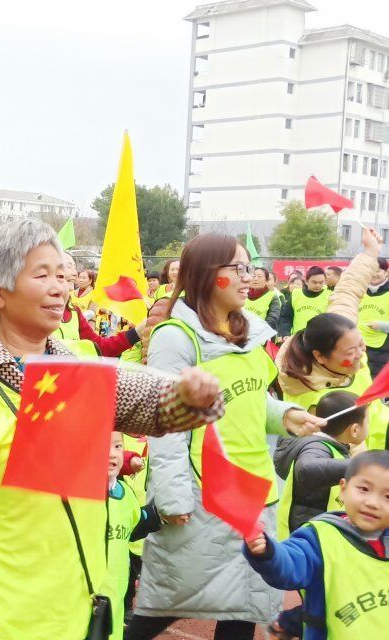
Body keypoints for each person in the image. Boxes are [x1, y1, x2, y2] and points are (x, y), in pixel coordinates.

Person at [0, 219, 225, 640]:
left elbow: (151, 402)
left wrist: (192, 396)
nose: (59, 286)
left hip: (74, 602)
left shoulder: (78, 367)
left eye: (62, 275)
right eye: (41, 274)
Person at [132, 234, 325, 640]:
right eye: (236, 268)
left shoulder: (252, 333)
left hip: (254, 489)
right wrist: (172, 496)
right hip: (206, 494)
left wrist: (286, 414)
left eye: (248, 267)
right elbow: (164, 423)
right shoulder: (176, 336)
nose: (248, 276)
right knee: (176, 600)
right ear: (206, 275)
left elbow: (251, 400)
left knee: (243, 606)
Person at [244, 450, 389, 640]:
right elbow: (290, 564)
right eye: (364, 489)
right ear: (343, 489)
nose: (372, 503)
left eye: (388, 497)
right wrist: (267, 552)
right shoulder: (321, 537)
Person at [278, 228, 388, 452]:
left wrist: (370, 252)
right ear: (320, 357)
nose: (361, 352)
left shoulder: (339, 331)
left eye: (360, 344)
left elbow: (349, 289)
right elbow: (348, 452)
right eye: (351, 352)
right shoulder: (315, 402)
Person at [269, 391, 367, 639]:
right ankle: (293, 623)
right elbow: (307, 469)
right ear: (354, 430)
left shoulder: (336, 447)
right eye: (367, 422)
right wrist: (363, 467)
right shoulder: (316, 446)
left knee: (332, 604)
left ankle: (290, 624)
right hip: (309, 544)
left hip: (325, 542)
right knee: (331, 605)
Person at [104, 431, 160, 640]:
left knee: (129, 572)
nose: (113, 454)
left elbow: (136, 523)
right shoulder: (85, 497)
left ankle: (126, 606)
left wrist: (159, 514)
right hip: (89, 599)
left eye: (118, 447)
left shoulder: (124, 494)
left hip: (131, 511)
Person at [358, 257, 389, 377]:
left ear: (386, 272)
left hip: (382, 351)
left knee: (375, 388)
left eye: (378, 270)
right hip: (357, 346)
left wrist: (382, 326)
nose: (374, 274)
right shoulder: (359, 290)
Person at [279, 266, 330, 338]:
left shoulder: (329, 295)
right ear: (306, 281)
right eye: (314, 282)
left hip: (320, 340)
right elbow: (286, 317)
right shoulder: (296, 294)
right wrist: (285, 333)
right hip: (297, 340)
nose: (318, 285)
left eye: (321, 282)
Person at [245, 266, 281, 331]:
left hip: (262, 335)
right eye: (253, 276)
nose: (256, 279)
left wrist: (259, 330)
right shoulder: (242, 294)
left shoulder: (272, 296)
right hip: (241, 334)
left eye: (259, 276)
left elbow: (273, 318)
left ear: (266, 280)